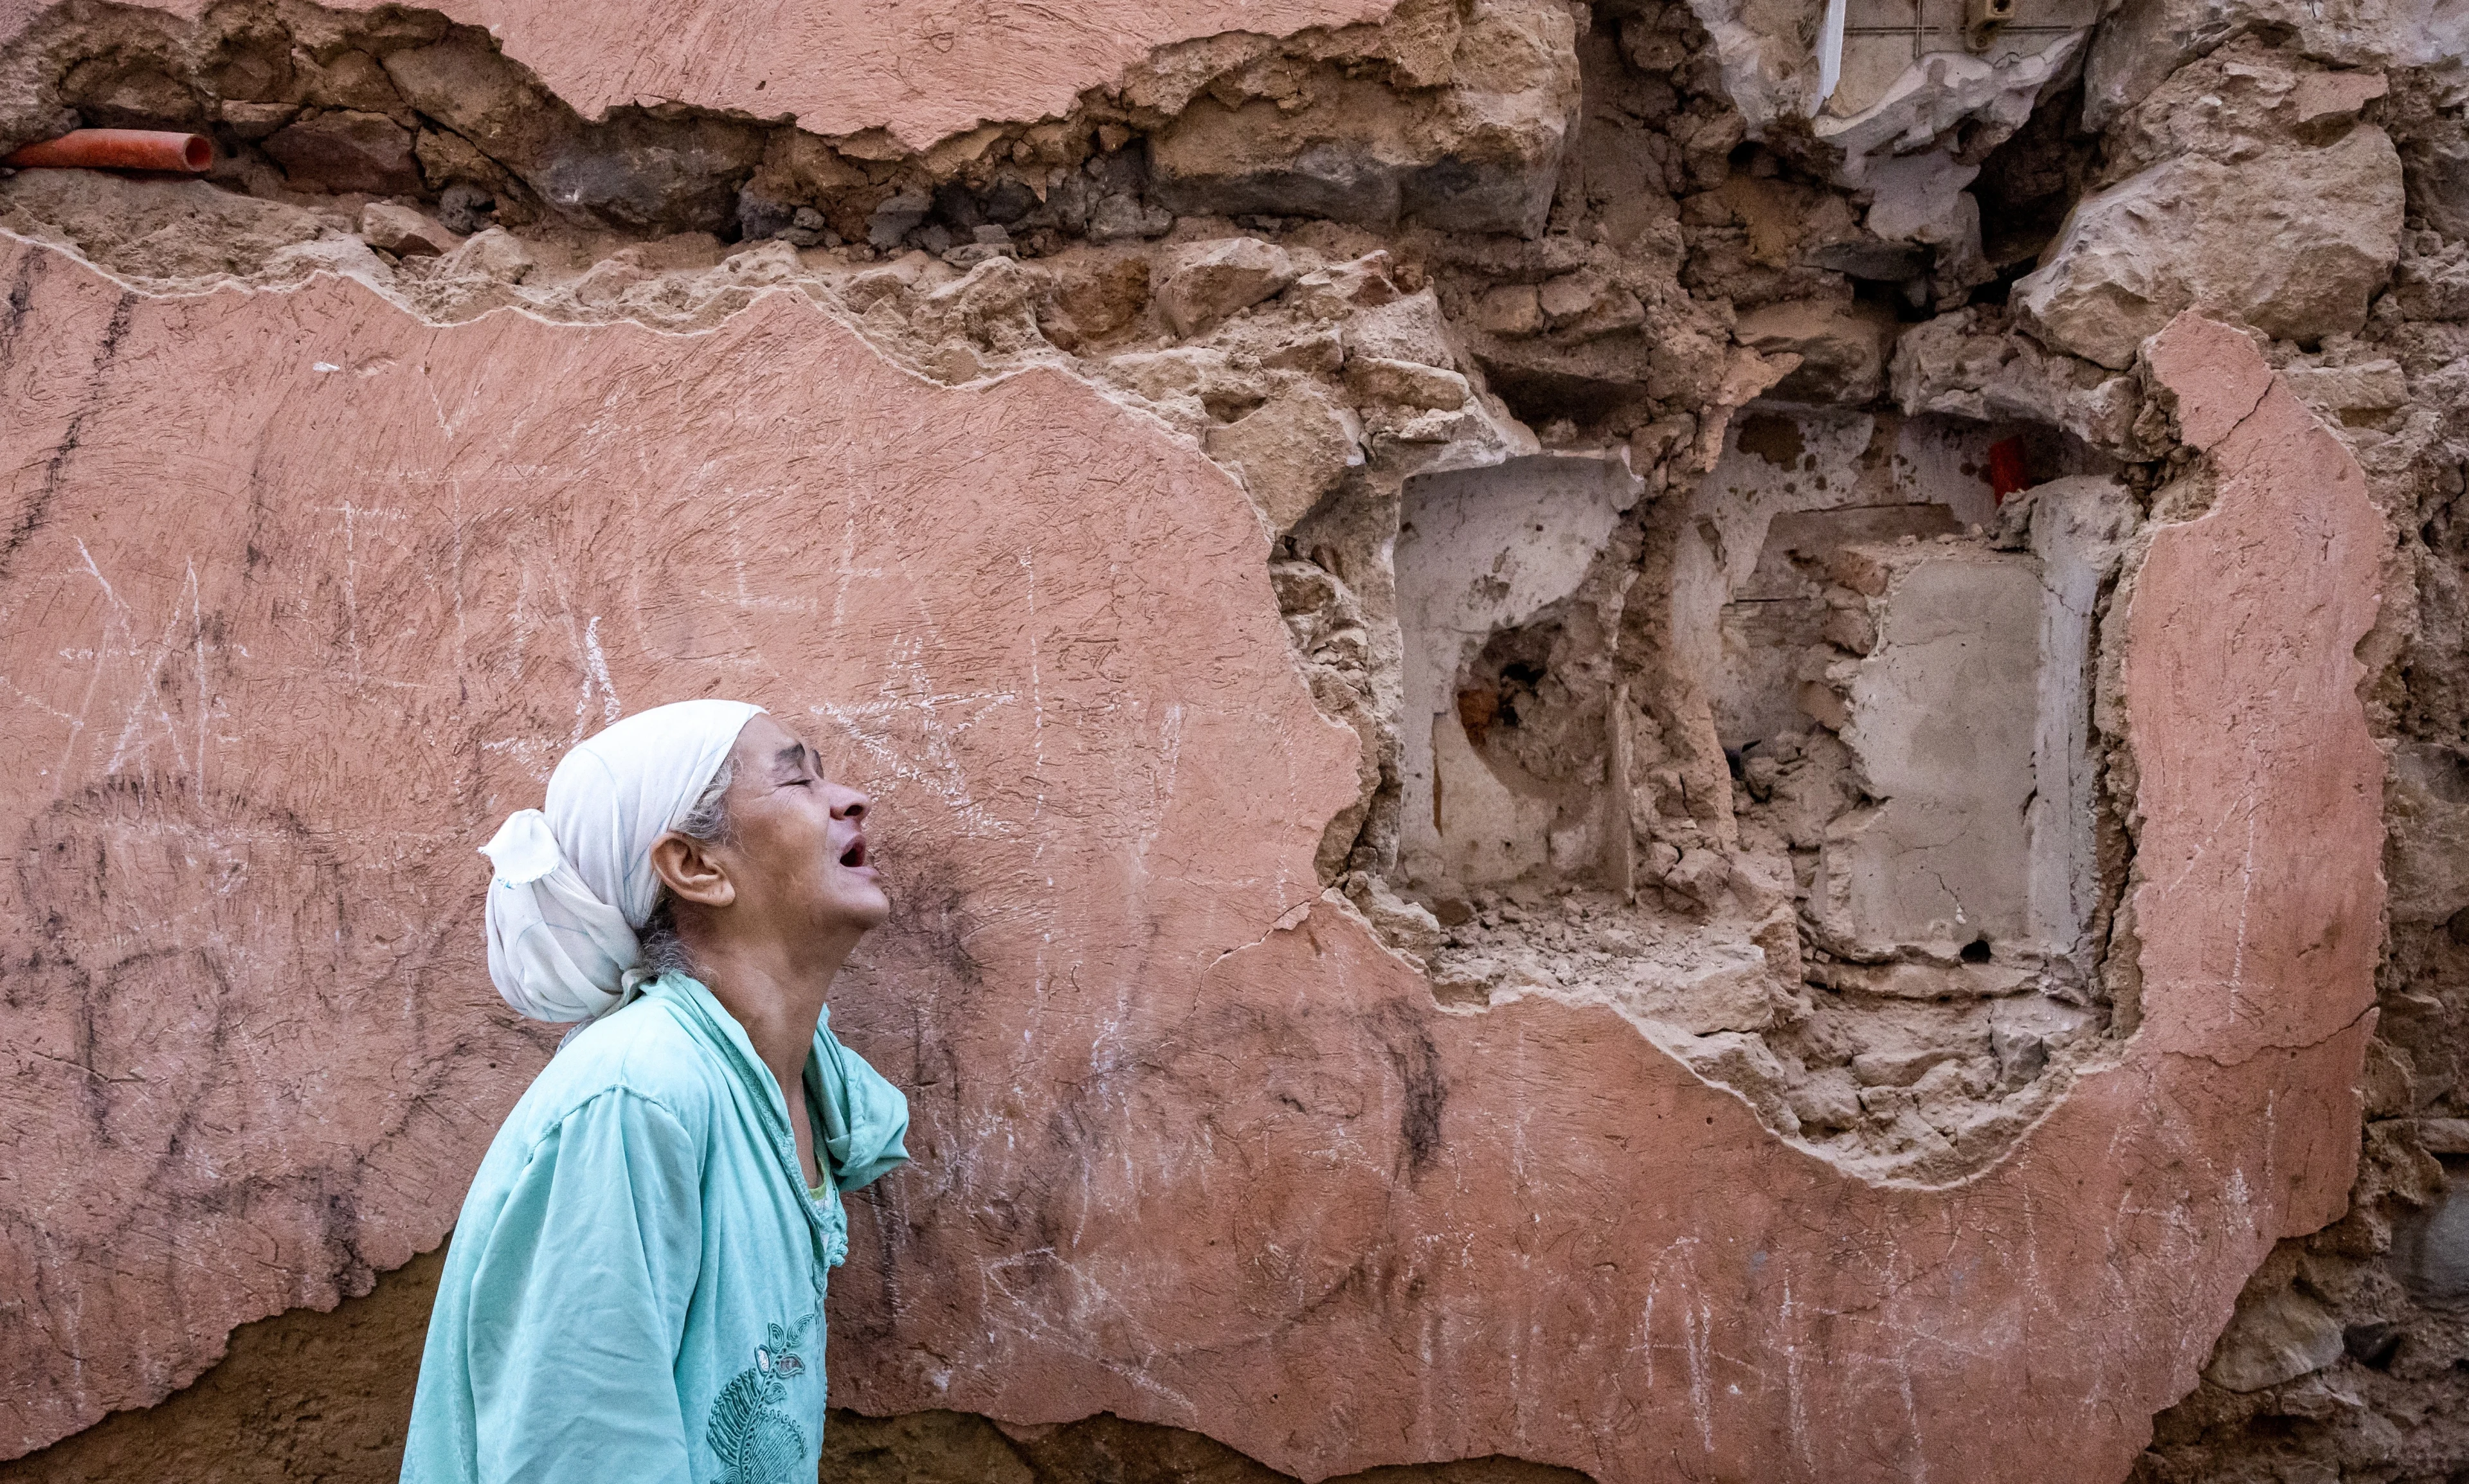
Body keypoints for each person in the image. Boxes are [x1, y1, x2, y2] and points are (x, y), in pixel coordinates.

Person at [402, 699, 910, 1484]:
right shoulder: (639, 1097)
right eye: (798, 780)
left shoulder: (796, 1081)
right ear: (697, 867)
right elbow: (579, 1456)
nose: (848, 798)